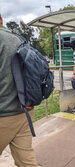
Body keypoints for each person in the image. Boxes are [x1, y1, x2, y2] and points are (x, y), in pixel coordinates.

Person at [0, 23, 38, 166]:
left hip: (3, 115)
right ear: (2, 20)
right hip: (25, 113)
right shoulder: (20, 40)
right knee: (27, 161)